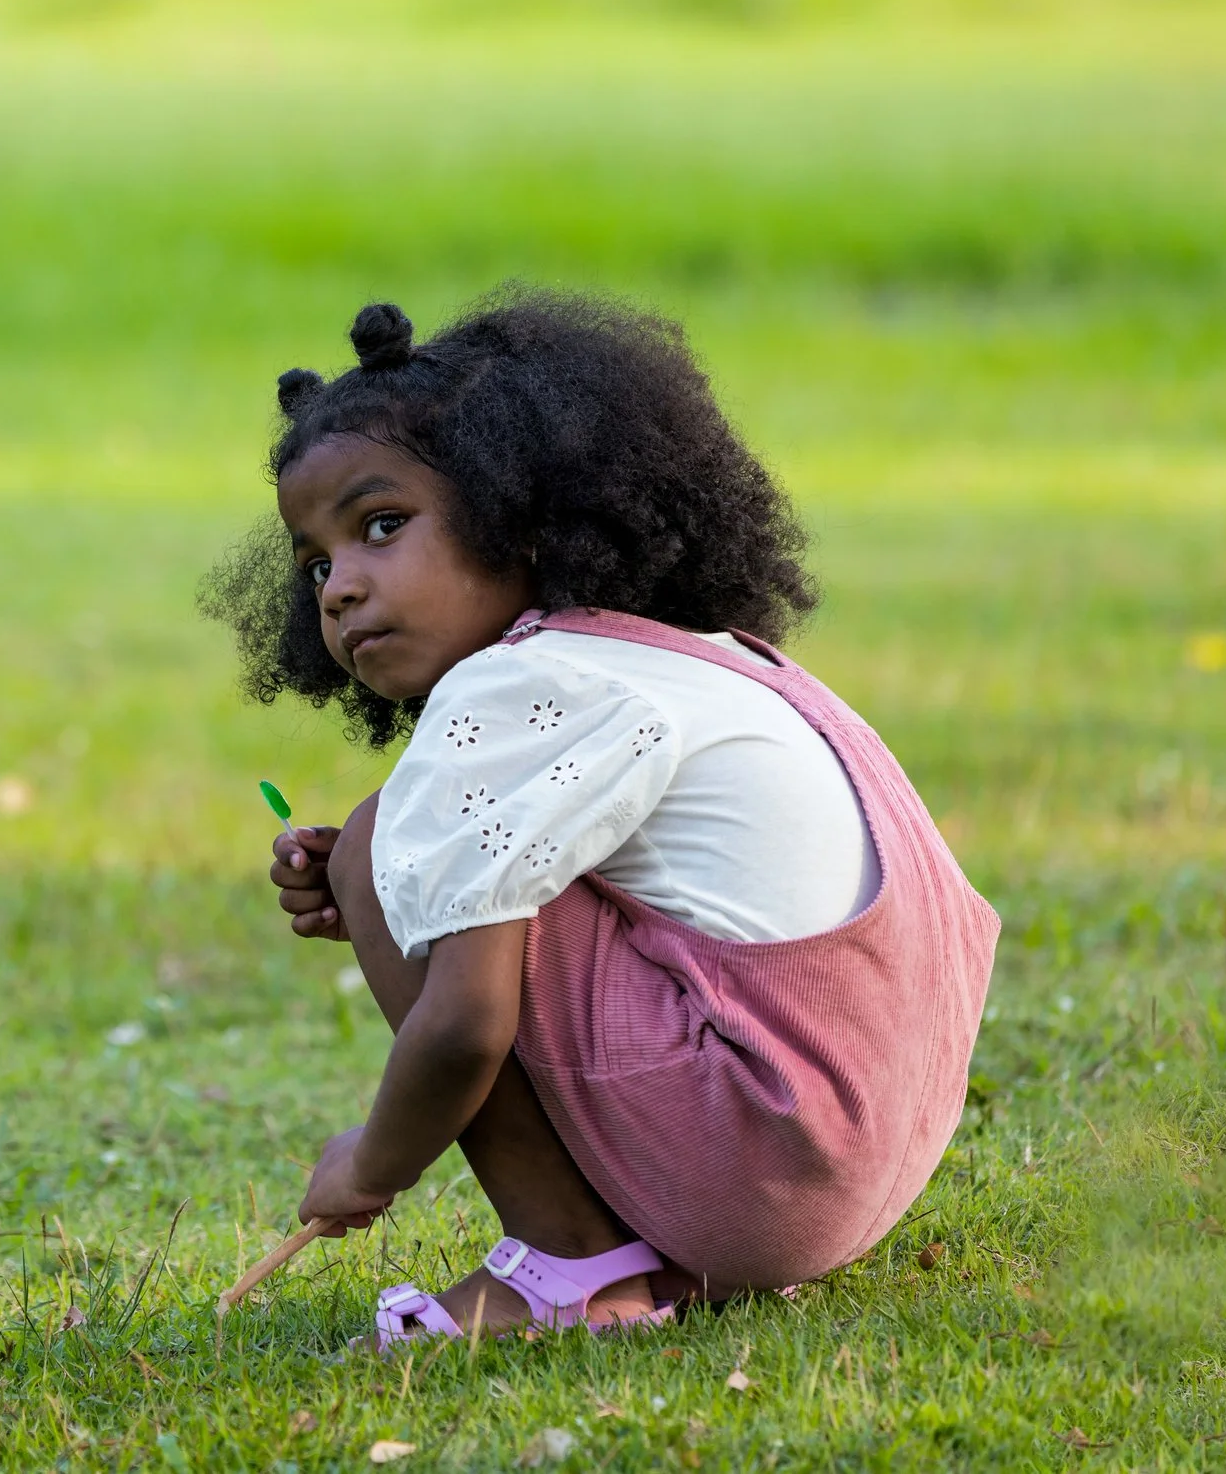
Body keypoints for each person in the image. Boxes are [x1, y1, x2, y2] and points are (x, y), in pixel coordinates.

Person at [201, 289, 998, 1344]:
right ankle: (644, 1254)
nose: (340, 587)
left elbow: (465, 1026)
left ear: (516, 509)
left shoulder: (513, 686)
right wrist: (388, 880)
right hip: (858, 1156)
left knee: (382, 829)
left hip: (757, 1168)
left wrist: (370, 1158)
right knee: (379, 845)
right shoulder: (698, 656)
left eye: (382, 525)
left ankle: (570, 1268)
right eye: (316, 563)